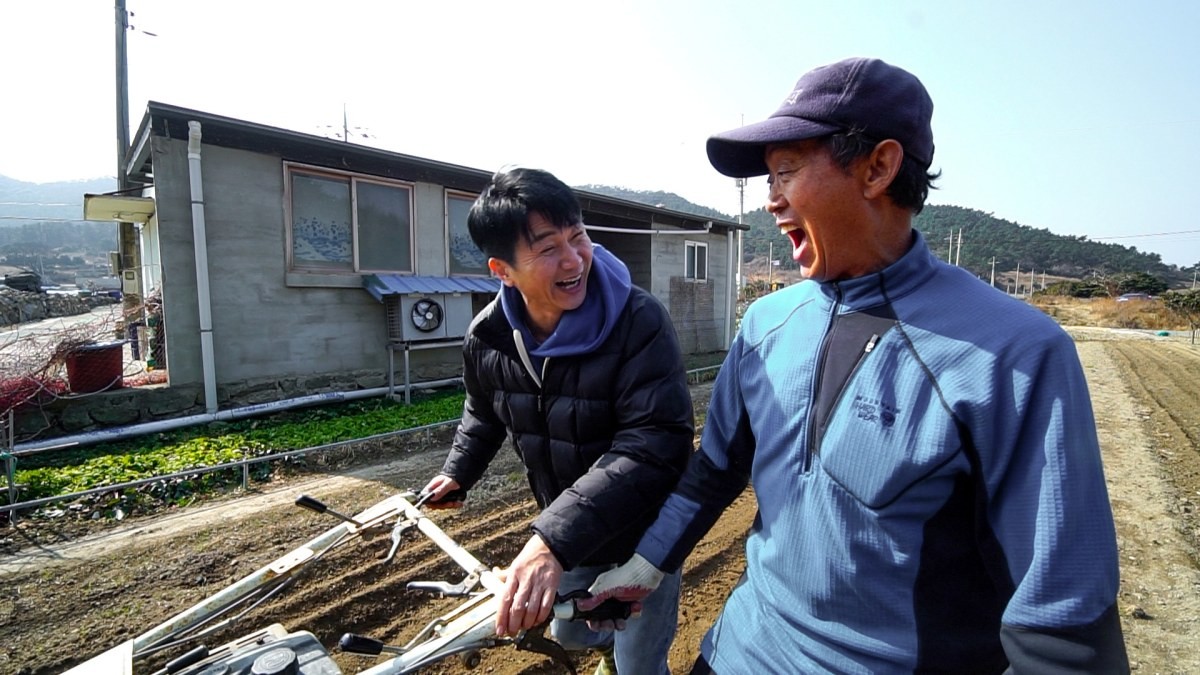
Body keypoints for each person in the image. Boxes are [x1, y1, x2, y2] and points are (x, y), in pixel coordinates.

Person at [582, 57, 1129, 673]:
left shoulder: (1013, 355)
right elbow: (715, 470)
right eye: (769, 179)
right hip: (737, 653)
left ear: (878, 168)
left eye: (786, 171)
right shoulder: (767, 324)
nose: (771, 200)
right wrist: (647, 563)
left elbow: (1063, 623)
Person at [420, 167, 693, 675]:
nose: (574, 260)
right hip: (572, 529)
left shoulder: (638, 321)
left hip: (645, 534)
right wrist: (460, 469)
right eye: (548, 249)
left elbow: (654, 443)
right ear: (503, 270)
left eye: (578, 236)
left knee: (639, 660)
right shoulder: (489, 338)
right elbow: (484, 408)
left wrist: (549, 541)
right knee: (576, 627)